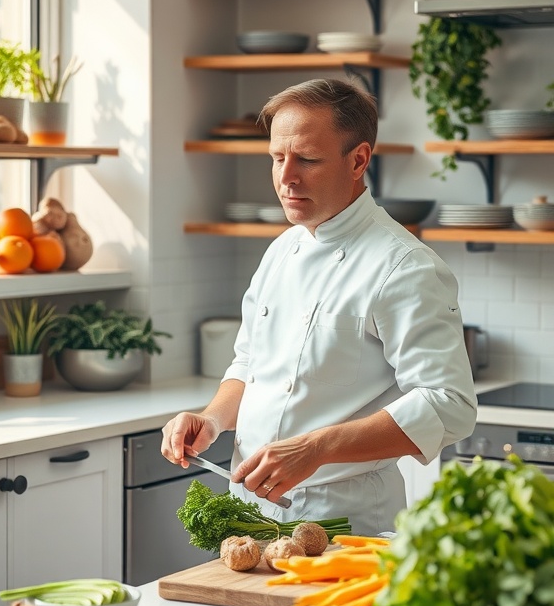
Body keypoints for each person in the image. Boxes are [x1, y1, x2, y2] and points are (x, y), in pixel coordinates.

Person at [161, 78, 477, 535]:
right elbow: (250, 365)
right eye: (276, 158)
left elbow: (449, 405)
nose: (286, 177)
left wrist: (315, 448)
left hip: (345, 524)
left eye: (307, 159)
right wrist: (212, 419)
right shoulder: (281, 250)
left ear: (359, 160)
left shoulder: (405, 266)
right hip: (248, 514)